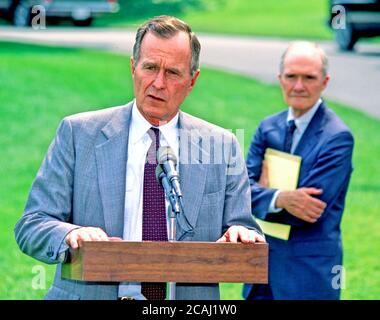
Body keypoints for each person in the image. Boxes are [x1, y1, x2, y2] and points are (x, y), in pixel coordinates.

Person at [14, 15, 264, 300]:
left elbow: (243, 227)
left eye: (172, 72)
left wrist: (240, 235)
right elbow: (32, 224)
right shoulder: (79, 133)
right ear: (133, 67)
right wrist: (70, 235)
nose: (158, 83)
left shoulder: (221, 145)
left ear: (192, 80)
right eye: (150, 67)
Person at [243, 41, 354, 300]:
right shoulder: (267, 127)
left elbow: (306, 212)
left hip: (308, 273)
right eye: (291, 76)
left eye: (309, 77)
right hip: (261, 271)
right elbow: (239, 193)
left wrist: (261, 196)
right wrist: (280, 198)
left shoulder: (338, 137)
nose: (299, 86)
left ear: (325, 81)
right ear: (280, 78)